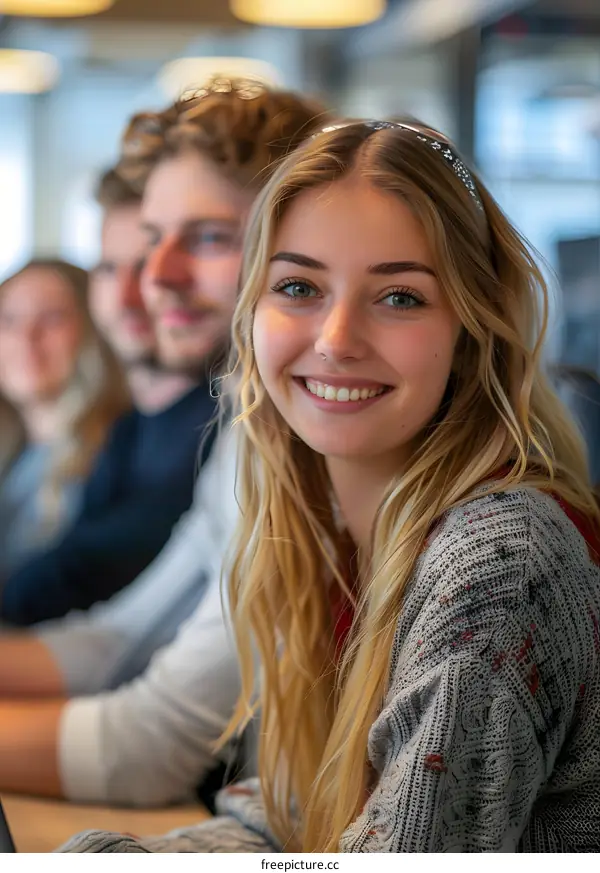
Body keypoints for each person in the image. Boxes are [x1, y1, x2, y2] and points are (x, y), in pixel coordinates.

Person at [61, 118, 600, 853]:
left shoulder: (499, 560)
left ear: (472, 328)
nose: (337, 337)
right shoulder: (318, 525)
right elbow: (286, 820)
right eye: (299, 286)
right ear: (253, 313)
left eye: (400, 296)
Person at [0, 79, 328, 806]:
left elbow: (147, 749)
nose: (156, 279)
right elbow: (116, 640)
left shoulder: (320, 447)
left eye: (208, 238)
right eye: (152, 242)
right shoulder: (252, 427)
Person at [0, 168, 218, 626]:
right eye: (107, 268)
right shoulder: (131, 432)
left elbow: (87, 592)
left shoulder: (208, 427)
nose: (125, 296)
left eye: (52, 319)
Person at [0, 259, 129, 580]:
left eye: (53, 318)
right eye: (9, 319)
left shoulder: (113, 455)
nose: (26, 336)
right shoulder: (14, 454)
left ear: (94, 328)